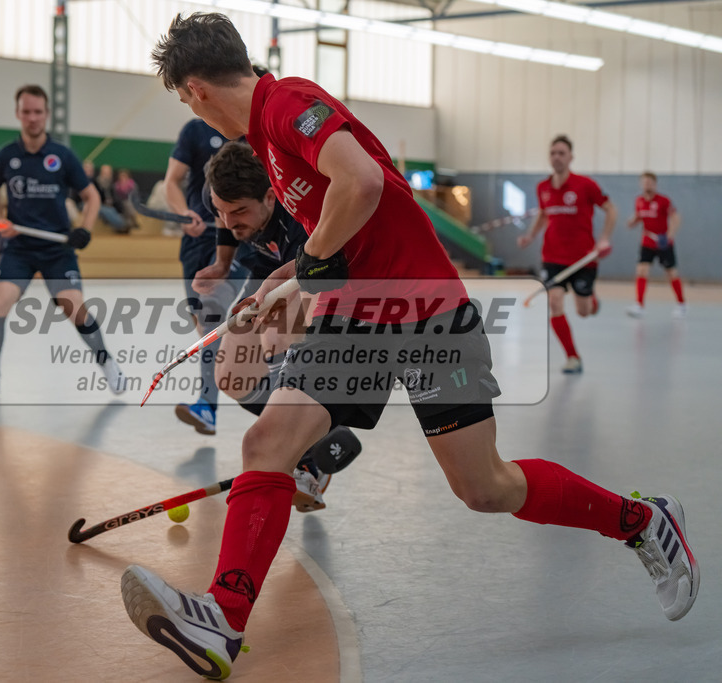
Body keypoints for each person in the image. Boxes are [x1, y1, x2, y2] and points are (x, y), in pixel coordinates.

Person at [120, 14, 698, 680]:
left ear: (193, 89)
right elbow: (340, 241)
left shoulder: (287, 105)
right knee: (268, 443)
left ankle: (642, 520)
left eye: (185, 101)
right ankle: (222, 618)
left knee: (484, 487)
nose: (194, 112)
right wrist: (288, 283)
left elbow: (360, 182)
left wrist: (309, 256)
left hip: (425, 310)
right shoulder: (269, 143)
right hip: (356, 317)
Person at [196, 140, 363, 512]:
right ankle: (324, 439)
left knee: (278, 330)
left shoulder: (298, 217)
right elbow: (226, 222)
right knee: (230, 375)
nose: (228, 221)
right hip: (264, 267)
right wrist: (223, 265)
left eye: (239, 211)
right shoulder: (223, 197)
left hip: (318, 269)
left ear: (271, 198)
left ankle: (301, 451)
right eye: (222, 211)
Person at [0, 84, 126, 400]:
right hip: (19, 248)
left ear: (46, 114)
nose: (32, 118)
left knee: (76, 309)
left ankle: (107, 363)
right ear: (18, 114)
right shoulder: (6, 156)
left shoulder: (61, 156)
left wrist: (84, 229)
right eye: (27, 112)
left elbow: (91, 196)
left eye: (38, 112)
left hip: (57, 249)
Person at [165, 116, 242, 436]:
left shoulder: (253, 132)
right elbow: (172, 181)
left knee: (212, 313)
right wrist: (184, 213)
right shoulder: (195, 130)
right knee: (206, 325)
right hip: (196, 243)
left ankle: (207, 405)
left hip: (239, 242)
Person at [517, 135, 616, 374]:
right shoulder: (543, 187)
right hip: (552, 257)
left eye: (561, 153)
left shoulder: (586, 185)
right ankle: (573, 357)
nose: (557, 157)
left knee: (584, 312)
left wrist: (603, 239)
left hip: (583, 259)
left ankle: (591, 301)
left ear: (570, 157)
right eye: (553, 153)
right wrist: (531, 236)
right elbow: (543, 214)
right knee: (555, 302)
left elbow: (610, 209)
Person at [626, 172, 685, 318]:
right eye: (644, 182)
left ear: (655, 184)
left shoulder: (663, 201)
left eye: (650, 182)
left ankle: (681, 304)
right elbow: (639, 216)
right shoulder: (639, 201)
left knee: (671, 272)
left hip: (663, 243)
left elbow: (675, 217)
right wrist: (632, 222)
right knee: (641, 270)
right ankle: (639, 305)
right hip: (647, 242)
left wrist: (670, 236)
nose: (647, 185)